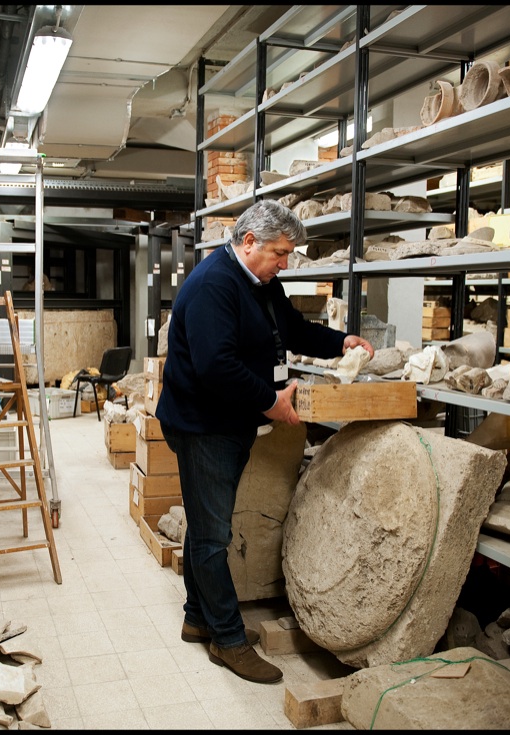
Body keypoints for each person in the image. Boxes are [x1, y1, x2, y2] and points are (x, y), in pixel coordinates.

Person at [155, 199, 374, 684]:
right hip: (202, 426)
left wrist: (341, 342)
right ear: (248, 242)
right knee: (214, 536)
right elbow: (216, 367)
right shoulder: (216, 284)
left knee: (207, 525)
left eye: (288, 253)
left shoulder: (260, 282)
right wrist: (269, 401)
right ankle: (227, 640)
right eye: (279, 252)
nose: (285, 262)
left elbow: (291, 329)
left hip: (227, 422)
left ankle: (198, 617)